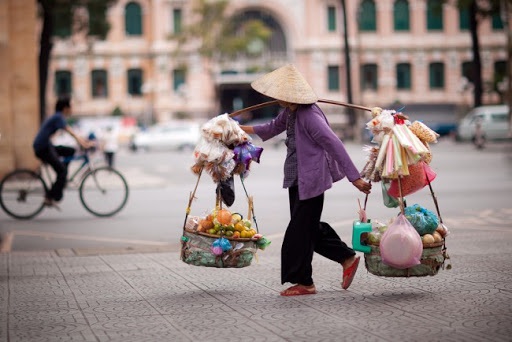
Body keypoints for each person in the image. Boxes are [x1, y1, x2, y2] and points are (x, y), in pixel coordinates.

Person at [239, 64, 372, 296]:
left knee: (298, 232)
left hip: (310, 179)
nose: (276, 98)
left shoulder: (309, 115)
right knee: (307, 226)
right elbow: (271, 128)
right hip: (296, 177)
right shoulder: (291, 112)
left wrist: (355, 178)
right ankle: (346, 257)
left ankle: (305, 282)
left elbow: (334, 144)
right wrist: (236, 128)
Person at [33, 96, 93, 207]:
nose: (72, 109)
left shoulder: (58, 117)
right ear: (65, 108)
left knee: (70, 151)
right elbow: (70, 132)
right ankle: (50, 196)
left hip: (46, 146)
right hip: (42, 148)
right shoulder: (58, 117)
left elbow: (70, 131)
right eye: (71, 106)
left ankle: (61, 178)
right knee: (62, 172)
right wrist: (83, 143)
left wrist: (83, 141)